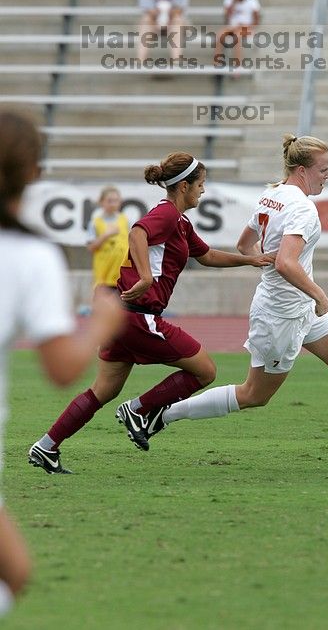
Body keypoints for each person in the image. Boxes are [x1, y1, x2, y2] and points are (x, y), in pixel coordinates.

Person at [121, 134, 328, 468]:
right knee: (255, 394)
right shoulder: (302, 208)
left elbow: (245, 244)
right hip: (281, 314)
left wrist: (273, 275)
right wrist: (318, 294)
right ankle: (161, 416)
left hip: (299, 309)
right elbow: (285, 262)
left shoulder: (273, 195)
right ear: (302, 169)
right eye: (324, 169)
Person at [29, 152, 274, 473]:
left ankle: (46, 447)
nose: (203, 190)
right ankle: (139, 410)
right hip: (138, 315)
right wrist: (146, 276)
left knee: (104, 390)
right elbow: (137, 233)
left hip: (123, 316)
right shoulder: (167, 215)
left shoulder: (180, 222)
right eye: (200, 184)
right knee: (205, 371)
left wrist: (251, 260)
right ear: (184, 186)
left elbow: (207, 255)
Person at [0, 110, 124, 618]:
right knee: (14, 574)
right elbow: (61, 367)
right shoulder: (30, 255)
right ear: (34, 173)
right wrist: (103, 321)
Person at [87, 186, 129, 292]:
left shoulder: (125, 220)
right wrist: (106, 235)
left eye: (116, 201)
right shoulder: (95, 223)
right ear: (101, 202)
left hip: (122, 276)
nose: (113, 204)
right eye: (109, 201)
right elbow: (91, 248)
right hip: (104, 277)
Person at [214, 0, 261, 69]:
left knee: (237, 36)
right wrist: (233, 3)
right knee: (219, 35)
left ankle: (237, 66)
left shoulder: (252, 1)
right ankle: (217, 64)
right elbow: (227, 17)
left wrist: (245, 26)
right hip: (232, 27)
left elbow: (256, 21)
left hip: (246, 28)